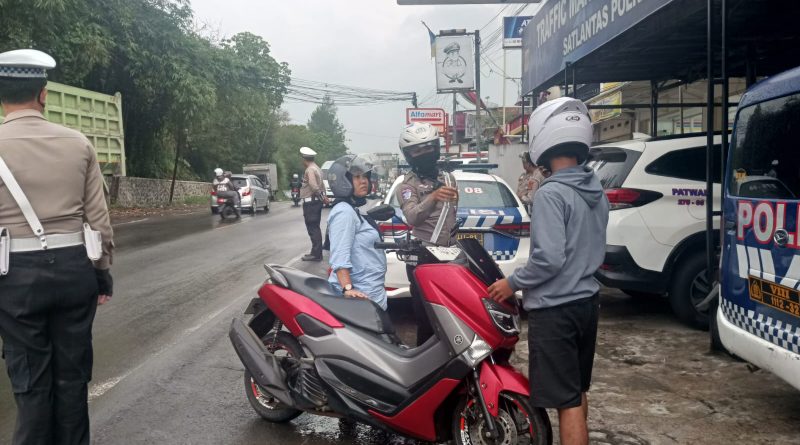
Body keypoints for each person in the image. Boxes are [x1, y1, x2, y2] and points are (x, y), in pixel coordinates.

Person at [0, 49, 114, 445]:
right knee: (72, 379)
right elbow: (98, 222)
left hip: (13, 275)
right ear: (43, 93)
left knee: (30, 381)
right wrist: (102, 272)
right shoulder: (78, 143)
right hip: (74, 269)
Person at [487, 97, 609, 445]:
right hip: (587, 302)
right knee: (577, 390)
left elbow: (548, 260)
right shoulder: (595, 189)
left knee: (566, 401)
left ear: (543, 138)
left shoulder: (551, 194)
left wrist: (511, 283)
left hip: (557, 310)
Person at [396, 122, 459, 345]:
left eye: (428, 148)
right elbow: (412, 217)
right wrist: (433, 197)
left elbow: (451, 215)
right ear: (409, 155)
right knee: (426, 317)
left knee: (451, 315)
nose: (424, 154)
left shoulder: (449, 178)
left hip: (450, 256)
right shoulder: (406, 185)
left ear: (436, 148)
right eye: (417, 150)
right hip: (423, 258)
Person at [326, 155, 387, 310]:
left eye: (365, 176)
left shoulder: (355, 210)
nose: (364, 181)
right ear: (343, 181)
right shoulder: (344, 213)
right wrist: (348, 289)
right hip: (360, 298)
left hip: (372, 294)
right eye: (357, 177)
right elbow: (340, 256)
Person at [299, 146, 328, 261]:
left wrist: (322, 197)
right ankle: (315, 252)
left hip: (311, 203)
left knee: (312, 228)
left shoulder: (310, 170)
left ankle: (316, 254)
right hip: (316, 203)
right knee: (315, 227)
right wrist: (323, 197)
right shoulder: (317, 168)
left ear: (304, 159)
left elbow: (313, 185)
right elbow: (322, 185)